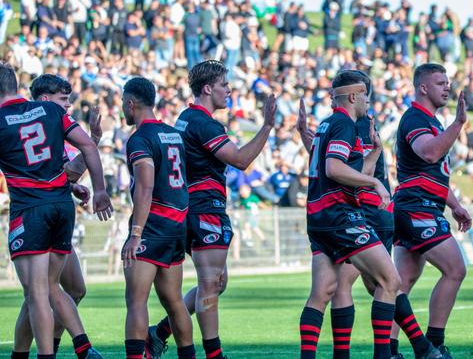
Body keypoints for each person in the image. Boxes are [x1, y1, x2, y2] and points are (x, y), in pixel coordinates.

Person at [297, 69, 438, 359]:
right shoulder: (345, 124)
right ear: (352, 96)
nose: (368, 101)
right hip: (342, 217)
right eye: (364, 95)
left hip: (319, 220)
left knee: (323, 291)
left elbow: (345, 169)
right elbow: (334, 169)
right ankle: (387, 354)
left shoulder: (325, 125)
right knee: (389, 281)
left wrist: (372, 156)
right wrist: (374, 182)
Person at [147, 60, 276, 359]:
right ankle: (213, 354)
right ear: (207, 88)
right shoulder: (204, 123)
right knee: (210, 282)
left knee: (217, 282)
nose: (228, 90)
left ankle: (160, 332)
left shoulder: (185, 118)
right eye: (223, 85)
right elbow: (241, 160)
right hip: (205, 208)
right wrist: (267, 126)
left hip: (191, 207)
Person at [0, 63, 112, 359]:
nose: (68, 103)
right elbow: (85, 147)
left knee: (38, 293)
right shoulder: (51, 114)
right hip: (62, 207)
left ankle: (62, 351)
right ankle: (69, 347)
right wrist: (99, 190)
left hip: (30, 210)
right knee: (45, 289)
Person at [391, 63, 473, 359]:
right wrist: (458, 123)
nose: (447, 87)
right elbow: (429, 152)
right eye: (440, 83)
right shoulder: (415, 118)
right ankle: (434, 343)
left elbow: (433, 174)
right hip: (417, 207)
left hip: (419, 205)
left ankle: (389, 349)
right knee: (455, 269)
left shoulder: (434, 123)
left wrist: (455, 205)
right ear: (423, 88)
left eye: (447, 82)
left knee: (400, 283)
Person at [120, 77, 195, 359]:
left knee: (136, 301)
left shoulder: (140, 138)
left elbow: (145, 186)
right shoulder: (173, 134)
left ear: (131, 103)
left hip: (152, 226)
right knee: (174, 301)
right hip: (177, 226)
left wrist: (136, 232)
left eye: (123, 105)